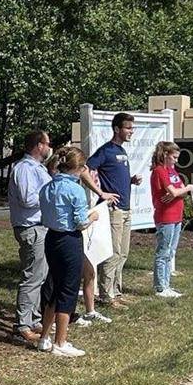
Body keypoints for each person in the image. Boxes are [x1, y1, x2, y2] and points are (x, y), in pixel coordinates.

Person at [36, 147, 100, 358]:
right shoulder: (75, 190)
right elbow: (81, 222)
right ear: (79, 168)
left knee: (54, 286)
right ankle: (60, 341)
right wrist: (93, 217)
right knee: (68, 290)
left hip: (51, 238)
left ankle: (44, 337)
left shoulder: (47, 187)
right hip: (69, 240)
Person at [81, 112, 140, 306]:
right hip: (113, 210)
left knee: (123, 253)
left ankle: (116, 291)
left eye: (132, 128)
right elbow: (84, 170)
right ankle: (106, 296)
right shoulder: (106, 150)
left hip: (126, 209)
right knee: (113, 252)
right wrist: (101, 192)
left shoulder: (121, 151)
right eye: (128, 128)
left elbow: (114, 176)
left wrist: (130, 181)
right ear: (117, 129)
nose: (132, 131)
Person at [8, 130, 52, 343]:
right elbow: (27, 199)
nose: (49, 148)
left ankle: (34, 318)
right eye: (47, 143)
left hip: (41, 226)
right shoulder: (24, 169)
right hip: (31, 227)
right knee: (32, 276)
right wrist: (50, 194)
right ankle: (22, 324)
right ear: (38, 145)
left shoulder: (38, 168)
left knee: (40, 274)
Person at [150, 141, 192, 298]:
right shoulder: (159, 171)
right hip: (165, 216)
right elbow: (175, 191)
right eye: (174, 157)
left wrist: (180, 191)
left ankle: (167, 285)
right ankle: (160, 287)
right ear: (165, 155)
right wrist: (187, 188)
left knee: (170, 252)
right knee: (163, 251)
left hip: (176, 216)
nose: (176, 160)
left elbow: (178, 192)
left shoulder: (172, 172)